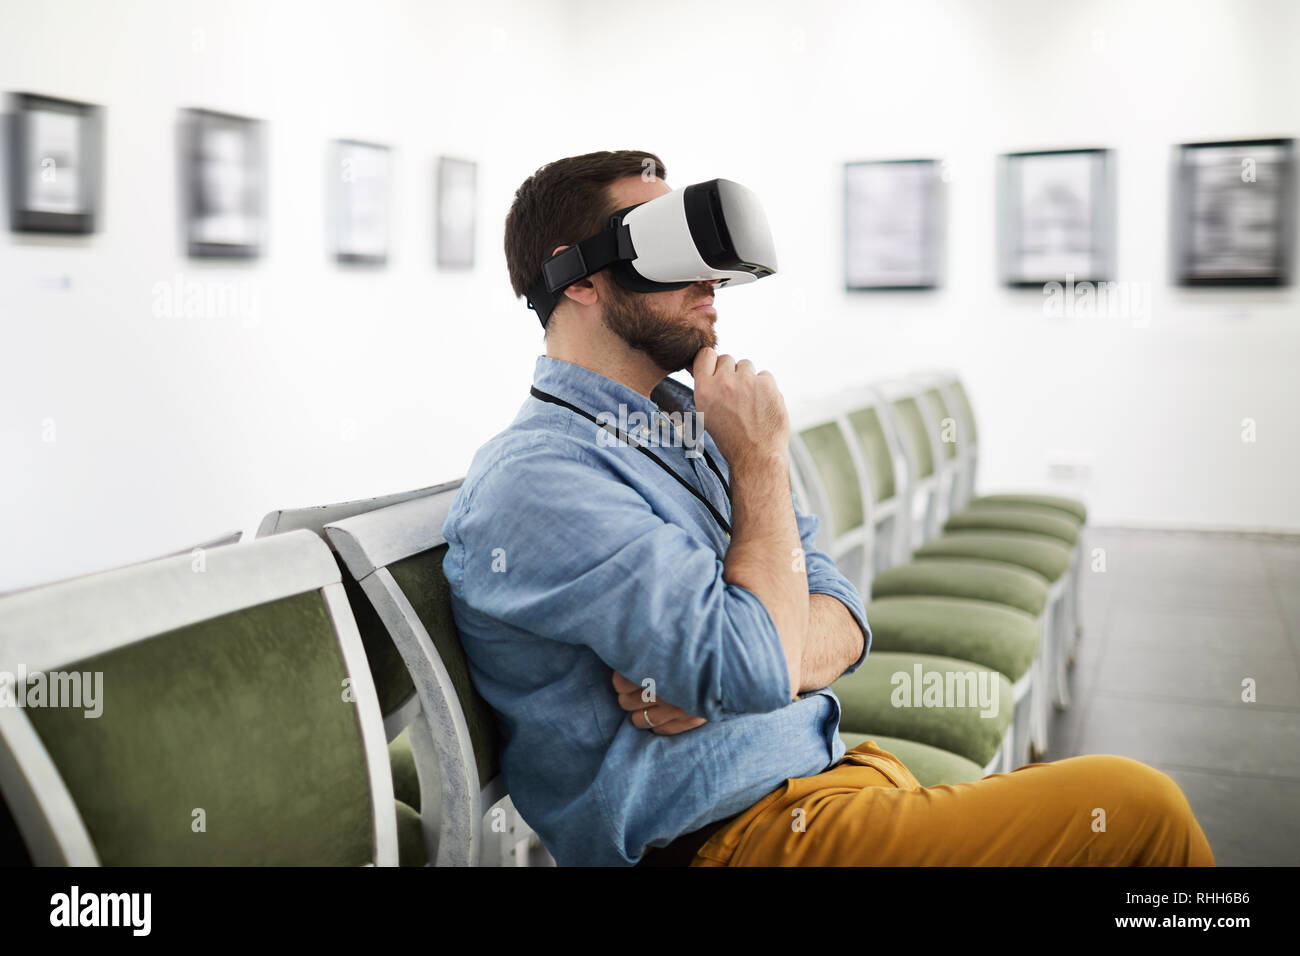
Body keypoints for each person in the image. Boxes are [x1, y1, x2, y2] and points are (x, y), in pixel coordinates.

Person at [440, 149, 1214, 868]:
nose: (711, 277)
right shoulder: (541, 480)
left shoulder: (688, 427)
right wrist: (762, 462)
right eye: (667, 245)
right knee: (1141, 810)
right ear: (575, 277)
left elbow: (842, 608)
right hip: (733, 840)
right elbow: (753, 658)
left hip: (828, 784)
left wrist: (763, 663)